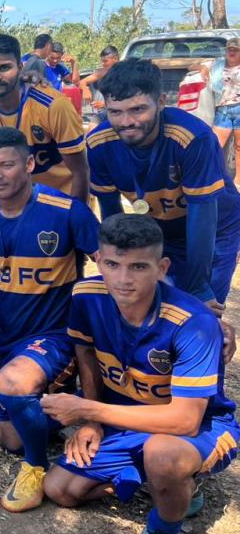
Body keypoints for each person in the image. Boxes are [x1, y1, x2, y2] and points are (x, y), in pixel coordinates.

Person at [41, 214, 239, 534]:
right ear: (98, 261)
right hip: (129, 417)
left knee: (163, 454)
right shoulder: (87, 295)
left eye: (138, 266)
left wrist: (89, 409)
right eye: (113, 264)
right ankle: (166, 485)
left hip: (201, 427)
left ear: (161, 267)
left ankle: (163, 533)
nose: (123, 279)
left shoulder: (193, 323)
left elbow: (185, 420)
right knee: (61, 490)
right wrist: (90, 422)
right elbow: (85, 350)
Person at [0, 126, 99, 512]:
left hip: (59, 334)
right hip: (13, 335)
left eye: (7, 165)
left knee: (12, 384)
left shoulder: (69, 212)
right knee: (11, 437)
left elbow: (115, 270)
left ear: (30, 164)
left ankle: (35, 466)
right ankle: (80, 403)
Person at [88, 58, 240, 332]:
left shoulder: (192, 138)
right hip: (160, 228)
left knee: (200, 316)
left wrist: (198, 287)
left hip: (215, 230)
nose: (127, 122)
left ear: (160, 102)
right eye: (116, 112)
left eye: (138, 109)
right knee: (147, 308)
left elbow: (202, 218)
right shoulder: (99, 143)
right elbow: (112, 216)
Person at [0, 33, 88, 203]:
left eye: (4, 68)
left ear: (19, 67)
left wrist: (76, 221)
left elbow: (80, 171)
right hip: (13, 211)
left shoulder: (54, 106)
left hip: (59, 207)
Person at [201, 37, 240, 186]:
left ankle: (238, 181)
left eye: (235, 49)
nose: (231, 52)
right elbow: (194, 66)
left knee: (239, 146)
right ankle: (211, 177)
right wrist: (203, 69)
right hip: (222, 110)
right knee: (214, 145)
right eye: (229, 49)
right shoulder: (217, 63)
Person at [79, 45, 119, 122]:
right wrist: (85, 89)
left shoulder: (125, 73)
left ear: (115, 59)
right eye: (102, 61)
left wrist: (104, 104)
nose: (103, 64)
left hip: (121, 111)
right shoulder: (103, 72)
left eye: (105, 61)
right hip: (107, 111)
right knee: (92, 123)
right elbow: (82, 82)